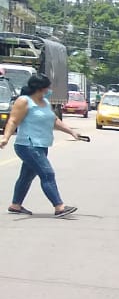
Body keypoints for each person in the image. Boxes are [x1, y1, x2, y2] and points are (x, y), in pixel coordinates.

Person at [1, 74, 81, 217]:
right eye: (48, 87)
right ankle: (59, 207)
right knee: (47, 173)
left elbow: (54, 120)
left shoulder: (45, 102)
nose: (50, 89)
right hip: (27, 145)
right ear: (40, 88)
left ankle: (15, 205)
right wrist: (6, 138)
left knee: (26, 176)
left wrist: (71, 132)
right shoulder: (24, 101)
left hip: (41, 145)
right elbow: (13, 120)